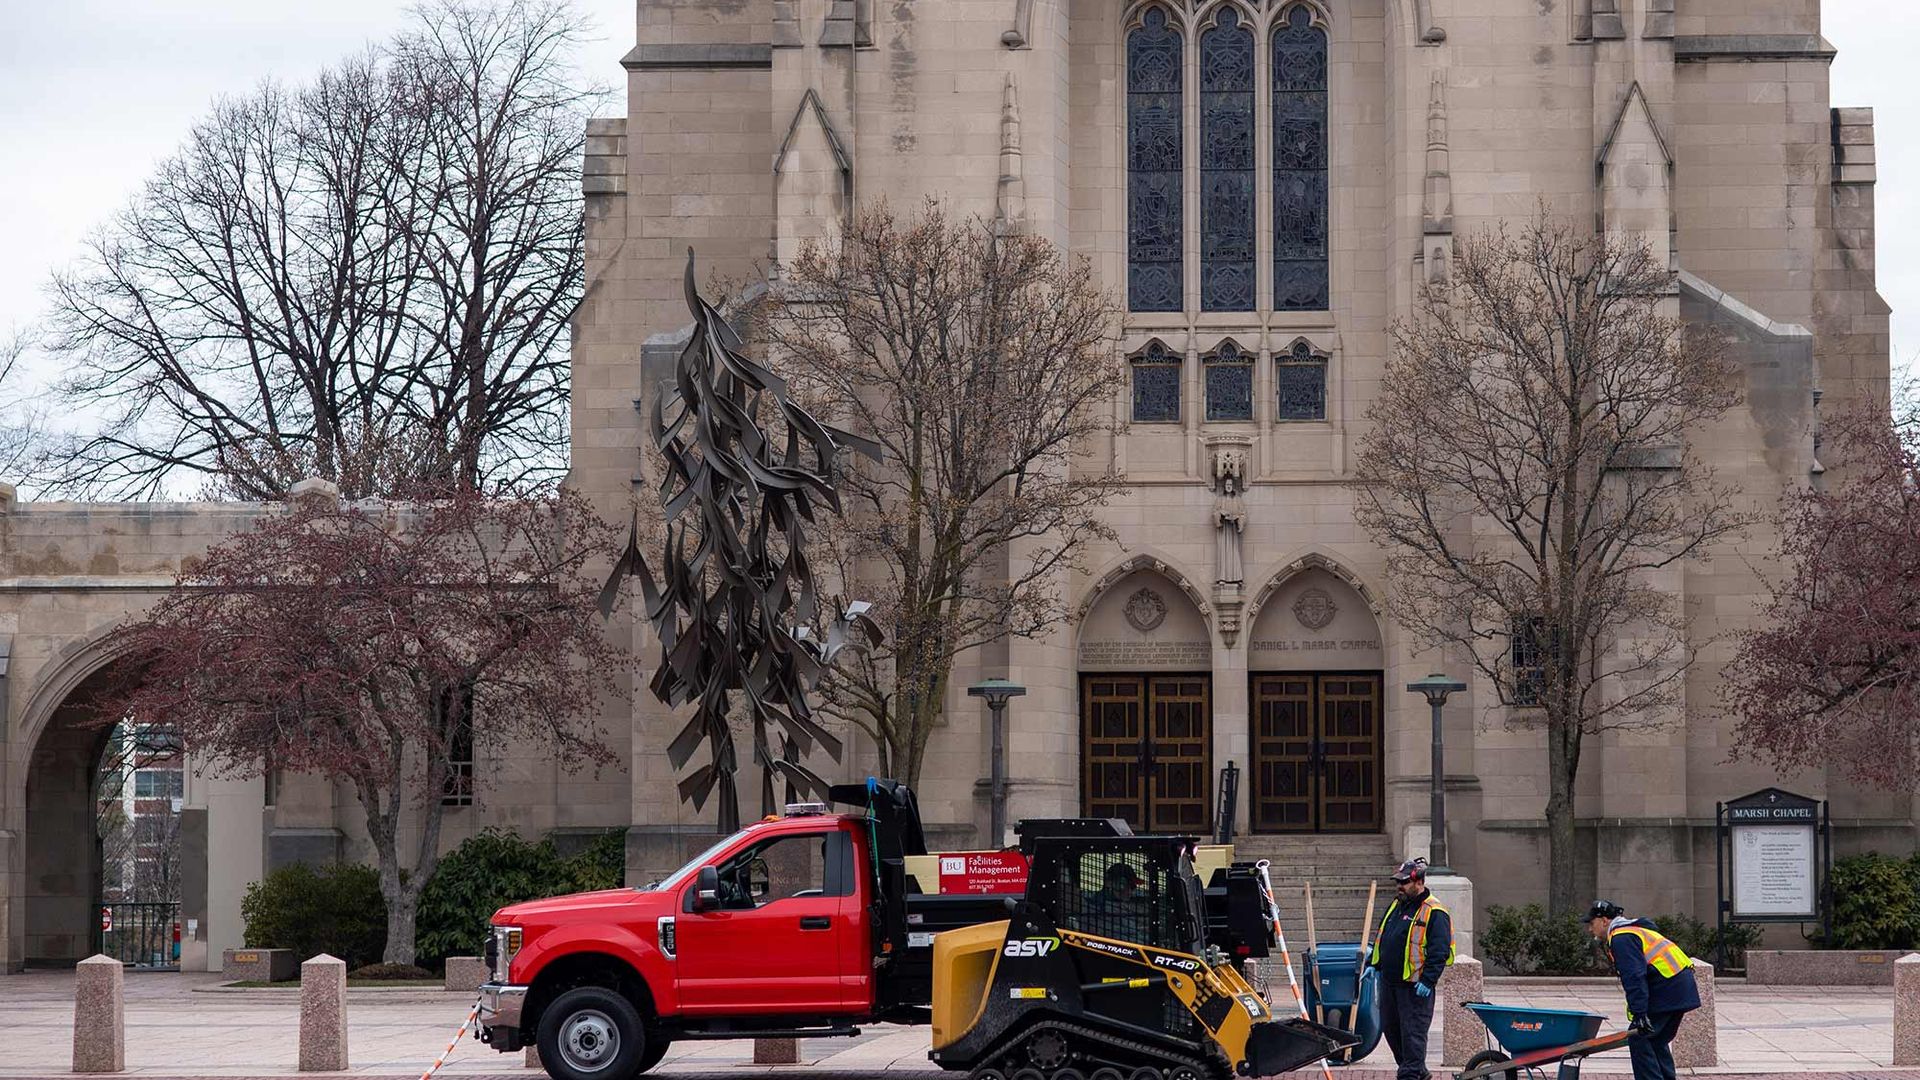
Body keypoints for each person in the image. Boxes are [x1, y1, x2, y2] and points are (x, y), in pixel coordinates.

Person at [1587, 900, 1700, 1080]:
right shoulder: (1635, 930)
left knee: (1639, 1038)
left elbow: (1634, 977)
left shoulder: (1621, 937)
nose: (1590, 929)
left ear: (1604, 920)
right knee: (1656, 1041)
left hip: (1668, 988)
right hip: (1681, 988)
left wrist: (1640, 1014)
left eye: (1592, 923)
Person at [1368, 857, 1454, 1080]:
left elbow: (1440, 950)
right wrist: (1374, 964)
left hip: (1414, 987)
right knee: (1392, 1031)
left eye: (1404, 882)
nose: (1399, 887)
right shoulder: (1397, 905)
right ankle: (1416, 1071)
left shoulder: (1435, 911)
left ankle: (1412, 1074)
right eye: (1398, 882)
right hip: (1390, 982)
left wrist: (1428, 981)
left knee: (1413, 1035)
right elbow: (1383, 938)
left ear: (1419, 882)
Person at [1084, 862, 1150, 942]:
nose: (1131, 890)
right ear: (1113, 884)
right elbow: (1116, 937)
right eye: (1128, 886)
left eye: (1133, 887)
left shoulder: (1120, 905)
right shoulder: (1099, 907)